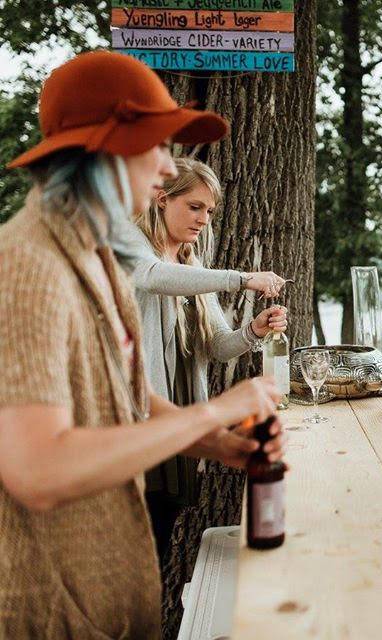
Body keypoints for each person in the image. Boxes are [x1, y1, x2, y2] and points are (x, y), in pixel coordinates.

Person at [0, 51, 284, 637]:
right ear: (103, 151)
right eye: (154, 147)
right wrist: (213, 410)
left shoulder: (95, 257)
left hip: (108, 595)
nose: (163, 170)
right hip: (53, 607)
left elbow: (125, 396)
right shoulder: (26, 266)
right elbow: (37, 470)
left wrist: (219, 443)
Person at [133, 157, 288, 558]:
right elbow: (154, 278)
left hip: (186, 425)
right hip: (140, 419)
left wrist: (253, 330)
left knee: (160, 543)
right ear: (163, 199)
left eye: (210, 211)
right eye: (195, 206)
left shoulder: (191, 264)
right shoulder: (132, 249)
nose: (204, 219)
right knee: (135, 545)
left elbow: (218, 346)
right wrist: (241, 278)